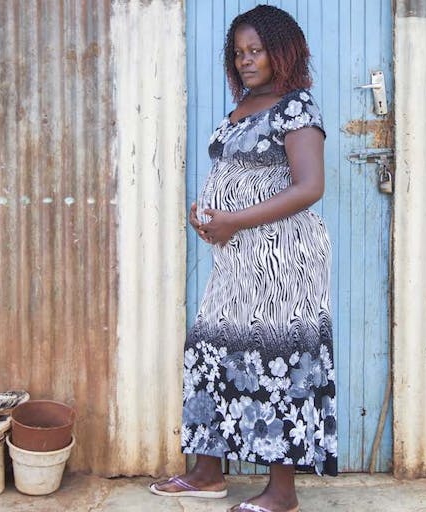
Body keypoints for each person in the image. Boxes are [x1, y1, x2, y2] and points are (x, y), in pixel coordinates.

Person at [150, 5, 337, 512]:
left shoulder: (297, 107)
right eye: (238, 53)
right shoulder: (243, 108)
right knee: (212, 349)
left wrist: (235, 219)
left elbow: (310, 187)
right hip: (236, 257)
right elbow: (235, 174)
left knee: (279, 361)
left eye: (256, 51)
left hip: (283, 257)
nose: (246, 60)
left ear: (282, 52)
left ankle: (283, 492)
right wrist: (210, 215)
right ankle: (208, 472)